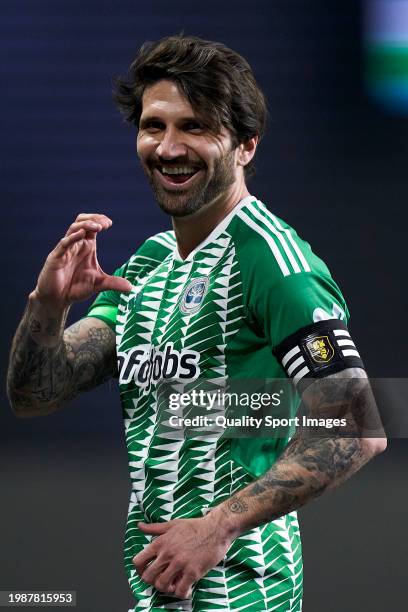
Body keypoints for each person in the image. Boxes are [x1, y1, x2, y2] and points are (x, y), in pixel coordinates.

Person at [7, 35, 386, 612]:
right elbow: (36, 395)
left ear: (245, 145)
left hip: (245, 594)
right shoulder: (151, 262)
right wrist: (48, 305)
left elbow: (356, 427)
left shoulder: (273, 262)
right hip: (162, 589)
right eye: (154, 126)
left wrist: (218, 527)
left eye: (195, 127)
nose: (169, 147)